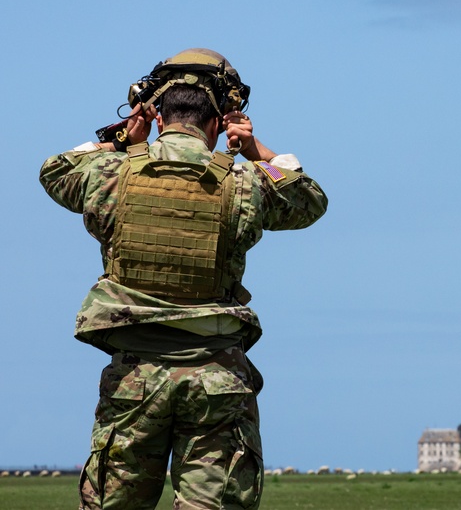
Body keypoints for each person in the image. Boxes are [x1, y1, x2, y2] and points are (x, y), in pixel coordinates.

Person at [39, 49, 328, 509]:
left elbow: (55, 170)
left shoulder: (109, 175)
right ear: (219, 122)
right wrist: (256, 150)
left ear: (155, 116)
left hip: (134, 376)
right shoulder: (246, 181)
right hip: (217, 376)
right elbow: (308, 200)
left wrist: (118, 138)